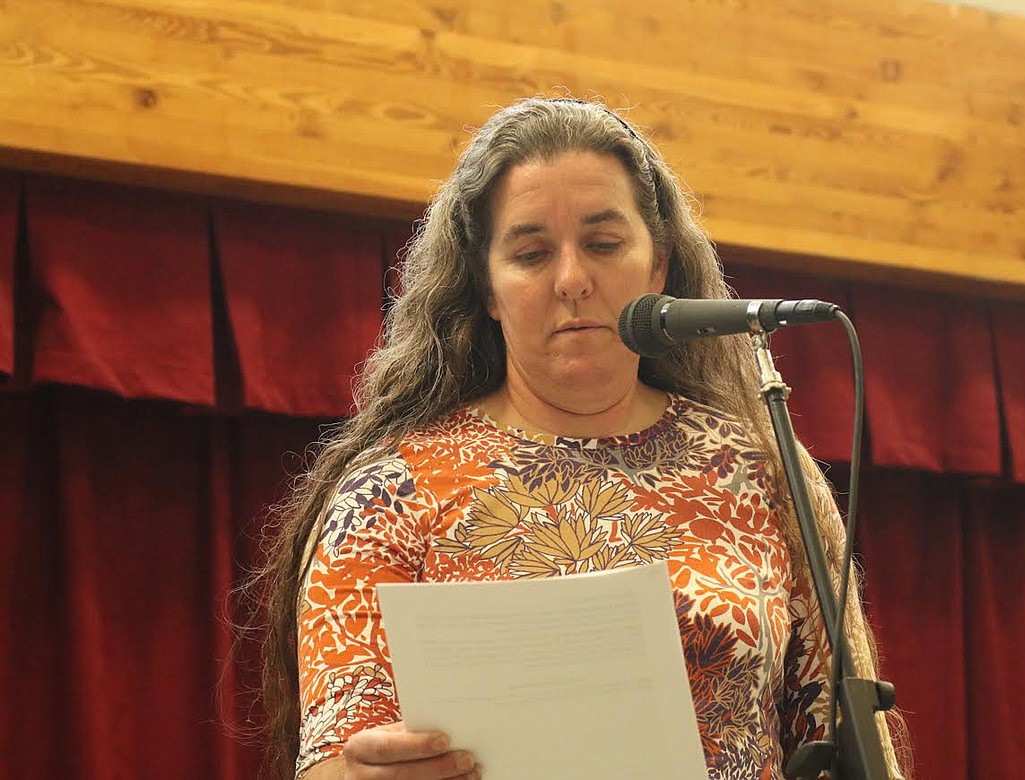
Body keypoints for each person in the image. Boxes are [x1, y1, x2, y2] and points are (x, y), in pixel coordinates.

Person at [257, 96, 906, 779]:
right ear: (486, 289)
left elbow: (855, 744)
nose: (572, 280)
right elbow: (333, 760)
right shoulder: (388, 494)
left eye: (603, 244)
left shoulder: (757, 467)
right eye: (532, 253)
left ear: (658, 266)